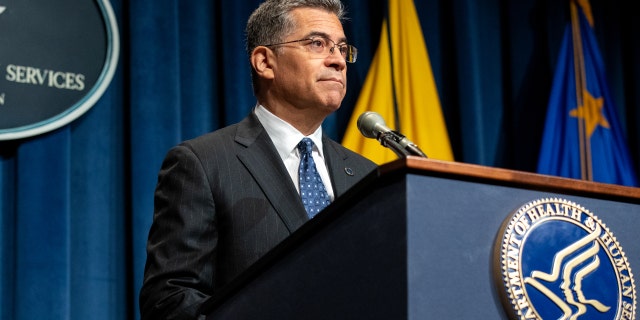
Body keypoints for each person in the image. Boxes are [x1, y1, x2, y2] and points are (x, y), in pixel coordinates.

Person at [138, 0, 377, 318]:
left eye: (342, 48)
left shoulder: (366, 175)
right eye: (318, 44)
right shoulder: (204, 164)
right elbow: (169, 299)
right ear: (265, 62)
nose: (338, 61)